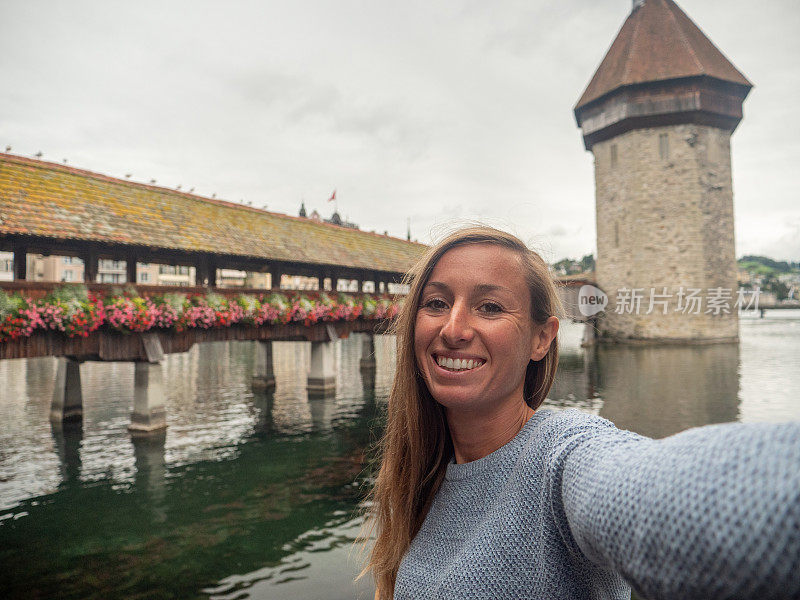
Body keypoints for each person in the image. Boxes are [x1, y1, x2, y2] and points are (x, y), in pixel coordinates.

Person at [362, 225, 800, 600]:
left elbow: (647, 491)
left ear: (543, 338)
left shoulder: (563, 454)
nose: (453, 329)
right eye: (435, 303)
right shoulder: (419, 474)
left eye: (490, 307)